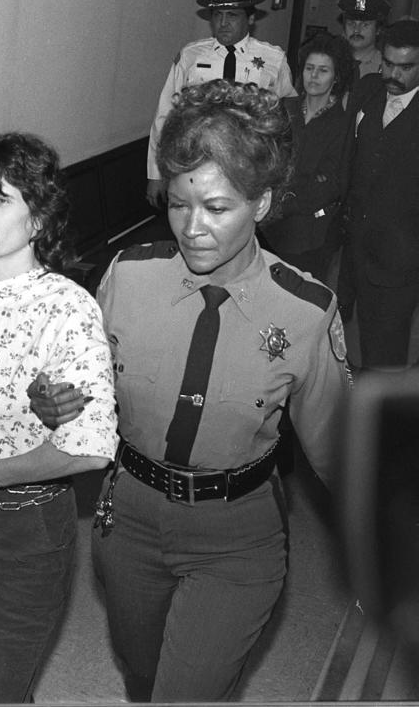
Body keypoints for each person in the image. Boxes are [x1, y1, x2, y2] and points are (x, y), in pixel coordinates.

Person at [33, 80, 349, 701]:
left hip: (237, 536)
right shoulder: (128, 276)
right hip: (129, 522)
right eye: (179, 205)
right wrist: (52, 402)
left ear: (260, 205)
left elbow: (340, 451)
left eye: (218, 208)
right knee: (142, 675)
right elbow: (83, 387)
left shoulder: (306, 312)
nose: (193, 228)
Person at [0, 126, 118, 703]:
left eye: (2, 198)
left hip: (24, 527)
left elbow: (90, 447)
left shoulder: (66, 307)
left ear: (37, 220)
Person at [147, 0, 296, 206]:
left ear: (251, 18)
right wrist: (156, 173)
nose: (223, 23)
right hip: (195, 162)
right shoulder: (190, 57)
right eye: (218, 15)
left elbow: (287, 118)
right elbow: (165, 115)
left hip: (249, 167)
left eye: (233, 16)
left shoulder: (273, 60)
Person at [342, 19, 419, 369]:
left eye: (405, 67)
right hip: (353, 247)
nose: (393, 74)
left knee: (384, 355)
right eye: (388, 63)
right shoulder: (369, 91)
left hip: (400, 259)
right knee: (342, 343)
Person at [260, 32, 355, 283]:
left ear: (336, 78)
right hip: (267, 225)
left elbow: (331, 182)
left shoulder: (343, 122)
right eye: (309, 68)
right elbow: (265, 159)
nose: (314, 76)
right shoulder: (284, 108)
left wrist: (281, 204)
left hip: (309, 231)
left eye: (323, 70)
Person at [338, 0, 390, 81]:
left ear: (378, 29)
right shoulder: (332, 61)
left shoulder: (386, 67)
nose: (356, 30)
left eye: (365, 25)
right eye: (351, 24)